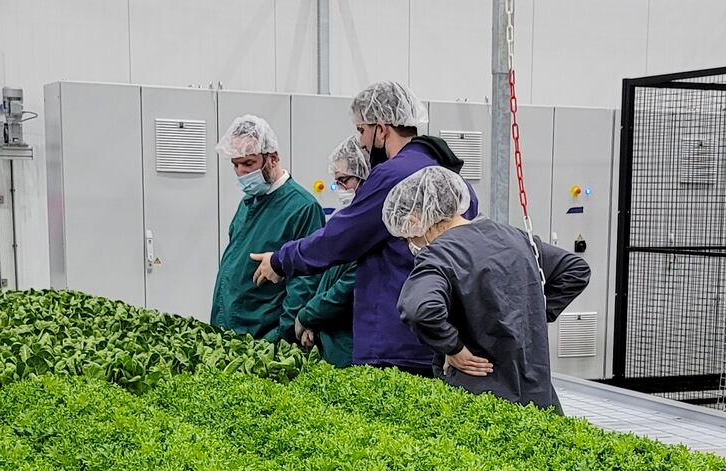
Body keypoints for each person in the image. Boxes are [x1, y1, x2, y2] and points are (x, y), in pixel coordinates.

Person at [249, 81, 477, 376]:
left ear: (382, 129)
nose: (361, 142)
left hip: (393, 342)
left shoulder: (391, 176)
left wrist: (281, 260)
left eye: (361, 130)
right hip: (437, 337)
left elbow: (340, 238)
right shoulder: (454, 181)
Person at [384, 166, 591, 412]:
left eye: (408, 236)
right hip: (537, 395)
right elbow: (576, 269)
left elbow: (419, 309)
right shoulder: (514, 236)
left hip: (479, 397)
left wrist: (454, 348)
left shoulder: (438, 254)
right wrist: (532, 313)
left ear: (415, 221)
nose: (411, 243)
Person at [209, 115, 323, 341]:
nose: (241, 172)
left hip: (261, 336)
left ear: (273, 158)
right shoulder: (249, 202)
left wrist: (280, 336)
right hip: (229, 329)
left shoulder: (302, 208)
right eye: (236, 164)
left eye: (249, 163)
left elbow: (305, 283)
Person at [282, 138, 369, 367]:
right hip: (330, 343)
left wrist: (307, 316)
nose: (339, 189)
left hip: (351, 348)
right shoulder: (349, 226)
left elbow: (345, 289)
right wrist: (314, 322)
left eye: (344, 181)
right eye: (336, 182)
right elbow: (328, 280)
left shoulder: (370, 231)